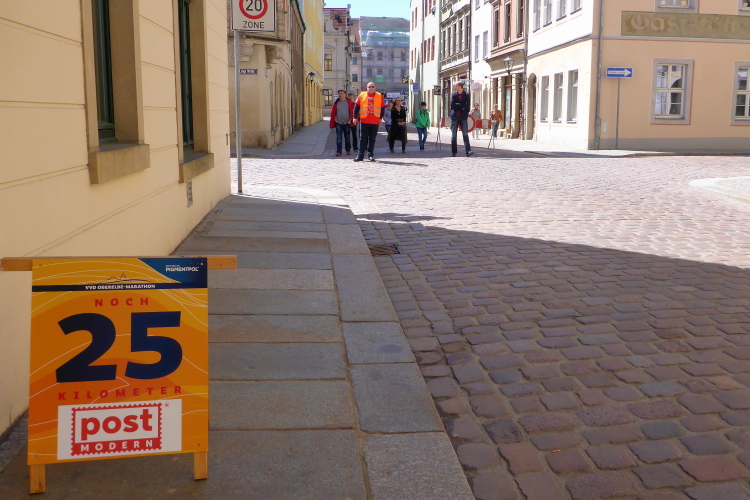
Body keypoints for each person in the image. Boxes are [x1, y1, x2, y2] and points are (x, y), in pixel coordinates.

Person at [352, 82, 384, 162]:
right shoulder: (362, 95)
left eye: (373, 86)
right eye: (369, 87)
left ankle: (370, 155)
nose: (371, 88)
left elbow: (382, 108)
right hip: (364, 120)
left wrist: (380, 118)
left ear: (375, 88)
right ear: (367, 88)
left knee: (372, 139)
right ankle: (360, 156)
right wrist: (355, 117)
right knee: (362, 139)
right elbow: (356, 107)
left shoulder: (379, 96)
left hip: (375, 121)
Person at [450, 82, 473, 157]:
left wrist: (459, 106)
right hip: (455, 117)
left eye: (455, 86)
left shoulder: (466, 95)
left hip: (463, 117)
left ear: (460, 86)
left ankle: (468, 151)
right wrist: (462, 106)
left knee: (465, 135)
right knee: (454, 136)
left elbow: (467, 106)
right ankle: (454, 152)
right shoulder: (453, 95)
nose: (454, 87)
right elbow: (452, 105)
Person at [329, 90, 354, 156]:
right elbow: (334, 112)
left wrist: (350, 119)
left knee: (347, 137)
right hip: (339, 122)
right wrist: (335, 118)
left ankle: (348, 150)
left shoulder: (349, 102)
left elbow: (352, 111)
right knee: (339, 138)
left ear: (345, 94)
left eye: (342, 93)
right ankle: (339, 151)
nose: (340, 94)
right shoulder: (337, 103)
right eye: (339, 93)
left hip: (347, 122)